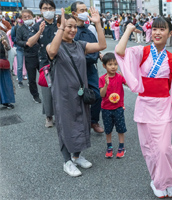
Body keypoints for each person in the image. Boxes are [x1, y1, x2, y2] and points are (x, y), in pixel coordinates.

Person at [115, 17, 172, 198]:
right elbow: (119, 52)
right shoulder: (141, 51)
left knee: (164, 148)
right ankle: (158, 181)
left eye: (162, 29)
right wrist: (128, 29)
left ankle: (169, 180)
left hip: (164, 107)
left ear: (169, 33)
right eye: (155, 29)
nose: (157, 32)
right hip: (144, 105)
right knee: (149, 148)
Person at [46, 7, 106, 177]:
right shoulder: (53, 45)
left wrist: (98, 23)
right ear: (60, 27)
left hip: (80, 92)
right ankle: (67, 161)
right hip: (63, 94)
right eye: (68, 26)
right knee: (66, 124)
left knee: (82, 120)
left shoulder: (80, 45)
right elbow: (51, 52)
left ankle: (77, 156)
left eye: (74, 27)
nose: (72, 30)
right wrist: (60, 25)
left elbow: (102, 45)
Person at [71, 1, 106, 133]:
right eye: (82, 10)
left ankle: (93, 121)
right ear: (74, 13)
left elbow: (98, 45)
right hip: (77, 69)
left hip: (91, 68)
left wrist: (99, 54)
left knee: (97, 94)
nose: (85, 13)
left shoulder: (90, 29)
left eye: (86, 9)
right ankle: (80, 125)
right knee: (78, 98)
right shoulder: (71, 31)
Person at [27, 0, 57, 128]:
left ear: (54, 9)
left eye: (50, 8)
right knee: (47, 89)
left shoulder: (60, 24)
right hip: (45, 64)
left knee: (62, 89)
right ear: (41, 10)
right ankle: (49, 116)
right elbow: (29, 43)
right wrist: (39, 32)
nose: (48, 10)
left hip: (61, 61)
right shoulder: (36, 26)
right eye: (45, 8)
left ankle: (63, 114)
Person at [99, 53, 127, 158]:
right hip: (106, 108)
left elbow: (130, 85)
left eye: (115, 64)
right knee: (108, 129)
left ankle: (121, 147)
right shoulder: (102, 79)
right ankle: (109, 146)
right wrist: (106, 84)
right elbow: (102, 94)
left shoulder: (119, 77)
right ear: (104, 66)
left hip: (118, 108)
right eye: (110, 64)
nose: (113, 66)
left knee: (120, 128)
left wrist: (125, 77)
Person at [16, 9, 42, 103]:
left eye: (29, 16)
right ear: (22, 19)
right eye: (25, 17)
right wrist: (26, 43)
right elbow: (18, 41)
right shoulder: (20, 29)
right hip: (29, 55)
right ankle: (35, 95)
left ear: (32, 16)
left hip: (41, 54)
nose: (27, 18)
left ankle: (50, 93)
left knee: (46, 76)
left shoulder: (38, 26)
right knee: (32, 78)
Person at [0, 30, 15, 109]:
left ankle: (6, 101)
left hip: (3, 60)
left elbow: (9, 48)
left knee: (5, 82)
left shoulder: (2, 33)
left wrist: (5, 44)